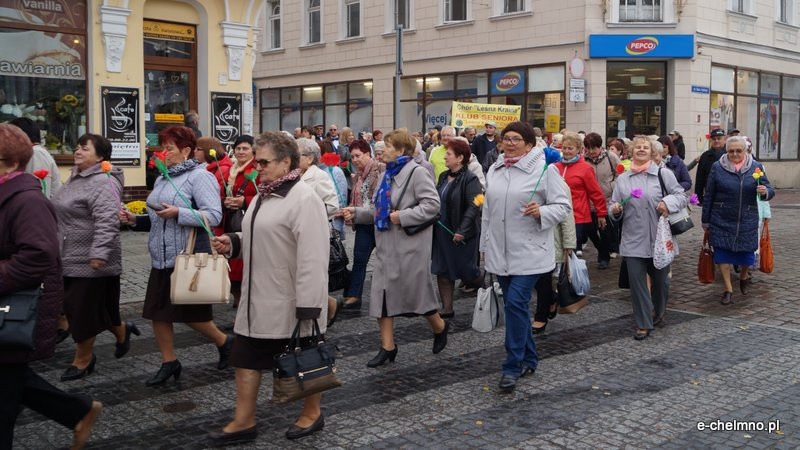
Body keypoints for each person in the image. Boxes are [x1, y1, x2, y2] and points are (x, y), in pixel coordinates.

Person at [210, 132, 330, 444]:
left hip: (289, 301)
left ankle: (312, 413)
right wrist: (233, 242)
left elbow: (313, 258)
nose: (256, 166)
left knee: (305, 361)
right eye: (256, 161)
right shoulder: (264, 194)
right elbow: (258, 235)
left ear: (286, 162)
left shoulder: (305, 200)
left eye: (263, 162)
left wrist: (308, 307)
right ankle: (244, 420)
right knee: (245, 359)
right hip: (256, 299)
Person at [0, 124, 102, 449]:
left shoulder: (26, 200)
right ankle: (78, 411)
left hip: (14, 309)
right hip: (8, 307)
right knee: (11, 380)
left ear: (10, 162)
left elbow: (38, 255)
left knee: (6, 389)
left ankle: (79, 411)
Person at [119, 126, 231, 386]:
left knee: (193, 316)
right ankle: (169, 361)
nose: (164, 153)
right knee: (158, 313)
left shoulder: (199, 177)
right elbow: (160, 217)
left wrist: (179, 213)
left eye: (169, 148)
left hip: (186, 256)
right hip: (161, 256)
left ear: (186, 151)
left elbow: (213, 215)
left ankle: (225, 341)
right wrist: (135, 220)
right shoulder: (162, 178)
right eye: (163, 147)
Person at [341, 129, 449, 368]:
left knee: (416, 295)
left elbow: (432, 205)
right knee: (381, 295)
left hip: (410, 247)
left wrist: (405, 215)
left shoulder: (418, 173)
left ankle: (439, 326)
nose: (382, 150)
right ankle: (388, 347)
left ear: (401, 150)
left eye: (387, 146)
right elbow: (381, 211)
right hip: (386, 245)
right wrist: (357, 213)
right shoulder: (386, 175)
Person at [481, 121, 571, 392]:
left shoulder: (545, 170)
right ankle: (530, 358)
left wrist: (541, 212)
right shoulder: (495, 169)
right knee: (514, 307)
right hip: (500, 251)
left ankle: (512, 365)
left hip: (530, 252)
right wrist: (484, 248)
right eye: (506, 138)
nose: (509, 143)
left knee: (516, 303)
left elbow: (563, 206)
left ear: (529, 144)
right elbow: (488, 211)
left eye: (516, 139)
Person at [51, 134, 139, 382]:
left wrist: (99, 253)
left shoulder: (102, 181)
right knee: (96, 308)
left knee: (80, 311)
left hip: (91, 260)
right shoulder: (76, 177)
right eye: (77, 146)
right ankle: (122, 330)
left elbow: (107, 221)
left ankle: (83, 359)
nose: (78, 151)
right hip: (68, 256)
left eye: (84, 148)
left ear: (100, 156)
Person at [610, 136, 688, 340]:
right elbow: (613, 204)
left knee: (661, 282)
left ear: (653, 153)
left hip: (660, 240)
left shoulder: (664, 174)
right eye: (638, 147)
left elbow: (681, 196)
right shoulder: (623, 179)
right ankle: (643, 322)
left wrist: (667, 203)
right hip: (633, 238)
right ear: (631, 152)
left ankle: (658, 312)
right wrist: (615, 210)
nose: (641, 150)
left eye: (646, 147)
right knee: (637, 283)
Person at [702, 136, 774, 305]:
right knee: (721, 255)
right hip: (721, 217)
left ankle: (743, 276)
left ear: (745, 151)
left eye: (738, 150)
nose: (734, 153)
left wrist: (765, 192)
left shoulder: (756, 167)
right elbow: (709, 194)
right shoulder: (717, 167)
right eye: (731, 151)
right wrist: (706, 221)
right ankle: (728, 289)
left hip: (747, 218)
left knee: (747, 255)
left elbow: (769, 188)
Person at [432, 138, 484, 318]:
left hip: (462, 233)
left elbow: (476, 203)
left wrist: (462, 229)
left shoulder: (471, 178)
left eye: (449, 154)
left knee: (466, 271)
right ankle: (447, 308)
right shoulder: (443, 176)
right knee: (442, 269)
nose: (445, 157)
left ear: (460, 158)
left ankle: (480, 280)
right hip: (442, 230)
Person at [554, 132, 609, 267]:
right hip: (559, 213)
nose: (566, 151)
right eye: (564, 148)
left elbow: (595, 193)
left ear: (578, 150)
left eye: (570, 148)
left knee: (572, 247)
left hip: (578, 215)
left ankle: (571, 280)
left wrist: (601, 213)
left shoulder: (585, 168)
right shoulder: (556, 167)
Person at [341, 140, 384, 310]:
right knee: (359, 259)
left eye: (358, 156)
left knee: (385, 261)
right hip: (363, 222)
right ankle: (354, 295)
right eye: (352, 157)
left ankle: (390, 294)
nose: (355, 160)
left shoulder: (380, 168)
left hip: (380, 222)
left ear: (368, 154)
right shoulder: (358, 174)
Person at [533, 181, 575, 334]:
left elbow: (567, 216)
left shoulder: (557, 182)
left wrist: (569, 243)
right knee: (537, 281)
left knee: (545, 279)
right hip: (529, 241)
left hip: (552, 240)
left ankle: (541, 316)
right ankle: (551, 299)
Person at [222, 135, 257, 307]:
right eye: (238, 148)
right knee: (233, 268)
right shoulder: (232, 169)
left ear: (253, 150)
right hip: (232, 221)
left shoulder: (256, 169)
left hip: (249, 222)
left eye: (245, 148)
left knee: (242, 267)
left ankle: (245, 307)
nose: (241, 152)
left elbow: (262, 194)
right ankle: (240, 305)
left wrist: (244, 201)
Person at [583, 132, 621, 267]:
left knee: (605, 231)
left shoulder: (611, 157)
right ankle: (601, 250)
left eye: (594, 148)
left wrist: (612, 186)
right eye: (588, 148)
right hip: (589, 202)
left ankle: (604, 258)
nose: (591, 151)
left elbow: (620, 174)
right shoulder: (583, 159)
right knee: (589, 230)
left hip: (607, 200)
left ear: (600, 146)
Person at [10, 117, 61, 199]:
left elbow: (39, 192)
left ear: (22, 135)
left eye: (11, 134)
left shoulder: (35, 153)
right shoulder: (33, 152)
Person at [196, 137, 232, 234]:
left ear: (208, 150)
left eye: (198, 149)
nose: (195, 151)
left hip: (215, 219)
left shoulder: (222, 169)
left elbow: (218, 194)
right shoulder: (202, 167)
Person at [694, 128, 726, 204]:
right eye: (714, 139)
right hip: (710, 194)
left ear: (724, 139)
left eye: (719, 138)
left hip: (726, 194)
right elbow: (699, 178)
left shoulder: (729, 154)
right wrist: (699, 197)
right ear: (711, 141)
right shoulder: (705, 156)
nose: (716, 141)